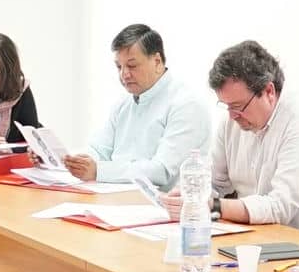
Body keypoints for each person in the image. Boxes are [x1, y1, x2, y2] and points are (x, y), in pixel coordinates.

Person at [165, 40, 299, 230]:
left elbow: (280, 207)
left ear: (269, 91)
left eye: (238, 106)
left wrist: (213, 206)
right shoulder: (232, 121)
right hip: (262, 236)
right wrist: (188, 195)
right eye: (227, 106)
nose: (232, 116)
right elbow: (214, 183)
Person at [64, 24, 208, 190]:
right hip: (118, 199)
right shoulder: (123, 104)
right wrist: (73, 162)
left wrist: (99, 170)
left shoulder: (186, 104)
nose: (124, 74)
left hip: (166, 208)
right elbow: (99, 150)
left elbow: (161, 171)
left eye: (131, 66)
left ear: (157, 61)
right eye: (119, 66)